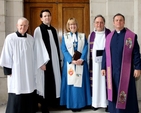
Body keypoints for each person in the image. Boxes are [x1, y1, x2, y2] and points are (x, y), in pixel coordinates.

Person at [101, 13, 141, 113]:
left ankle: (128, 110)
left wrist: (138, 67)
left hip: (126, 71)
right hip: (112, 70)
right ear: (113, 23)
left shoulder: (131, 36)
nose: (119, 22)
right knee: (114, 90)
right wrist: (103, 67)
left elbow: (136, 53)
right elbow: (105, 53)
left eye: (121, 20)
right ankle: (114, 110)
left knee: (127, 90)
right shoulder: (109, 37)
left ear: (124, 22)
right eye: (117, 20)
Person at [0, 17, 36, 113]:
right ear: (17, 26)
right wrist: (8, 70)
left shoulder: (31, 39)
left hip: (28, 72)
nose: (23, 27)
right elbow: (6, 54)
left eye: (25, 25)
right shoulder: (10, 38)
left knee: (28, 91)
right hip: (16, 72)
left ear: (28, 27)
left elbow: (34, 56)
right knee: (17, 90)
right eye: (21, 25)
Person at [60, 17, 91, 112]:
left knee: (80, 84)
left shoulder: (82, 36)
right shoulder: (65, 36)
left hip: (81, 63)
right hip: (70, 64)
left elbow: (86, 47)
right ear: (68, 26)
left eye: (74, 24)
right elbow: (64, 49)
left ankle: (81, 104)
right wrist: (71, 60)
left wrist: (82, 59)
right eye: (70, 24)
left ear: (77, 26)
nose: (72, 26)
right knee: (72, 83)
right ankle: (72, 104)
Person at [33, 9, 62, 113]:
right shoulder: (38, 30)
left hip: (54, 61)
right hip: (44, 62)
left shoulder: (54, 30)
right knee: (44, 83)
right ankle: (44, 106)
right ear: (41, 18)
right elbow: (37, 47)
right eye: (45, 16)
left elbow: (57, 46)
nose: (47, 18)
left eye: (49, 16)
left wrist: (60, 60)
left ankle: (53, 103)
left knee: (55, 81)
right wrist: (41, 62)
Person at [88, 15, 110, 111]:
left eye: (101, 22)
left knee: (106, 83)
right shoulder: (91, 35)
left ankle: (106, 104)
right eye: (97, 22)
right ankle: (95, 103)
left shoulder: (109, 33)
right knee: (96, 83)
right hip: (95, 65)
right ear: (94, 24)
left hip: (106, 63)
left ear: (104, 23)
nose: (99, 24)